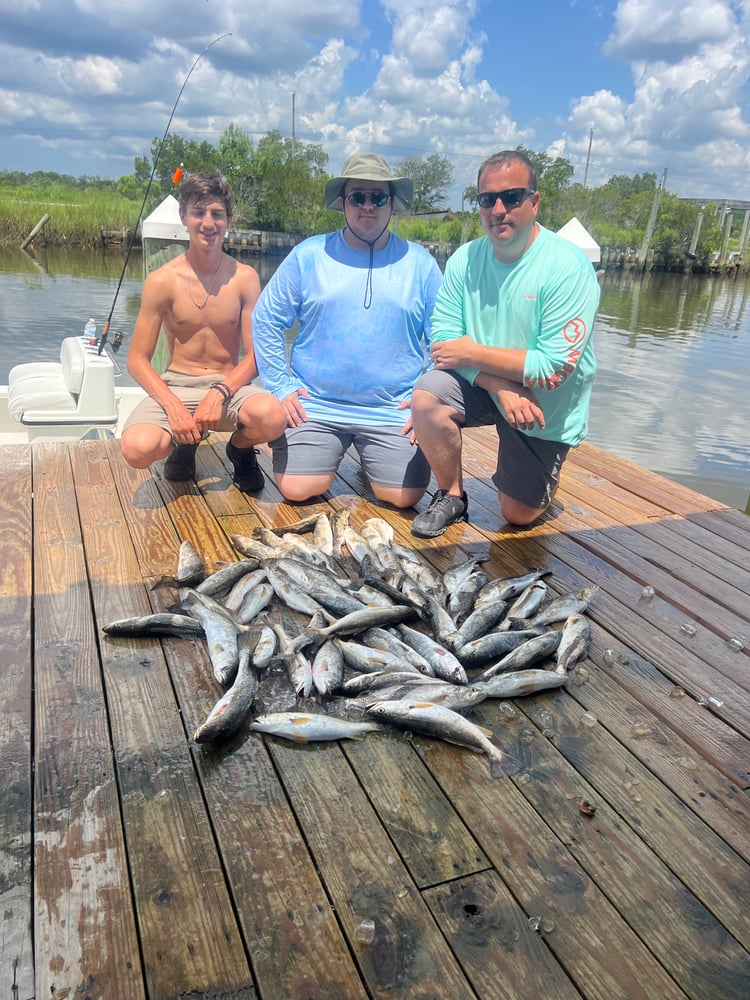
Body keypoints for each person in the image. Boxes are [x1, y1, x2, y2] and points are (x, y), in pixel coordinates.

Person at [410, 149, 600, 538]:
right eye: (486, 199)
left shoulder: (568, 267)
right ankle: (451, 495)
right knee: (427, 395)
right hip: (491, 386)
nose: (498, 209)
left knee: (517, 515)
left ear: (534, 201)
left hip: (543, 406)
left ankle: (539, 473)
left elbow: (554, 369)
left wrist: (472, 353)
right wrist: (499, 385)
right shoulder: (465, 259)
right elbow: (444, 345)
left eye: (511, 197)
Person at [251, 153, 443, 508]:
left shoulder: (422, 264)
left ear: (391, 203)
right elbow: (265, 319)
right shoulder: (308, 255)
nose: (367, 206)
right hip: (316, 404)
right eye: (358, 196)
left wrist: (426, 401)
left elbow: (443, 339)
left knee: (404, 497)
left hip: (391, 409)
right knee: (296, 488)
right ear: (343, 202)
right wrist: (281, 386)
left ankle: (374, 460)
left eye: (378, 197)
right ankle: (328, 451)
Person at [121, 172, 285, 491]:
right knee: (137, 449)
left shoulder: (245, 278)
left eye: (216, 214)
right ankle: (183, 442)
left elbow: (256, 356)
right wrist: (174, 408)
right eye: (198, 213)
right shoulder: (161, 281)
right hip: (178, 384)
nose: (207, 223)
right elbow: (137, 360)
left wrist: (220, 391)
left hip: (230, 387)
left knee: (272, 417)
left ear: (229, 220)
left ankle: (239, 449)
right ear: (184, 217)